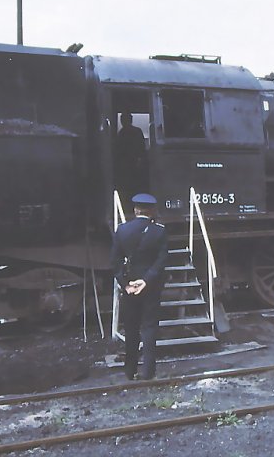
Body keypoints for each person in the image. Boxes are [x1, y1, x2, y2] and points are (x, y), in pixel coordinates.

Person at [110, 193, 168, 380]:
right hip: (150, 287)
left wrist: (125, 284)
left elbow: (115, 261)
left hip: (130, 288)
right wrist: (147, 280)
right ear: (151, 211)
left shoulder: (122, 230)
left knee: (131, 329)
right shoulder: (159, 231)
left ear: (135, 210)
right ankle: (148, 372)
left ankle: (129, 371)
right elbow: (162, 260)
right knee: (150, 327)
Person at [114, 112, 146, 202]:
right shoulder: (135, 131)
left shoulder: (122, 133)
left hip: (128, 163)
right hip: (130, 162)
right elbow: (142, 147)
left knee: (130, 185)